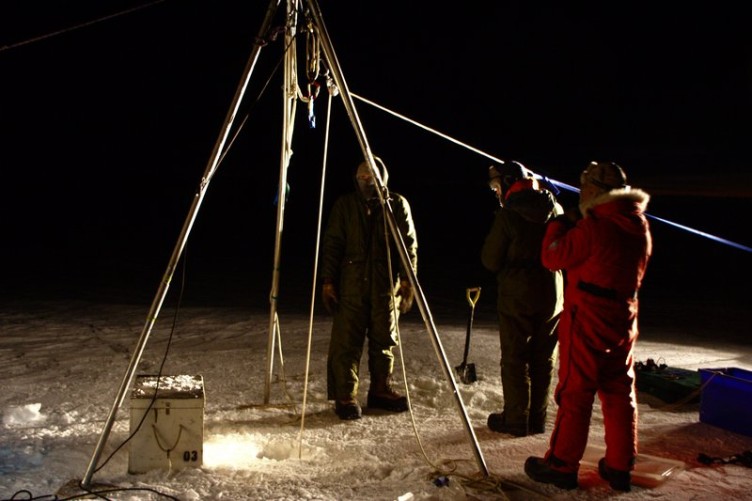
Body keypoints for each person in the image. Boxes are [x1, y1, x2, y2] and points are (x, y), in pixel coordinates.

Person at [524, 161, 652, 492]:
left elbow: (553, 257)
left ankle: (562, 464)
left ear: (595, 191)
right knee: (619, 391)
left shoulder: (594, 227)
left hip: (588, 317)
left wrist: (560, 225)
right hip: (623, 316)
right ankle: (621, 465)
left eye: (585, 188)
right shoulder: (639, 225)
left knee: (575, 392)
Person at [320, 157, 418, 420]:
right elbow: (332, 245)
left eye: (371, 177)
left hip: (385, 286)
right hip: (350, 286)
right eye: (362, 177)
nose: (366, 181)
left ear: (381, 178)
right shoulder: (345, 206)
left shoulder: (396, 205)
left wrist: (408, 281)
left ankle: (380, 389)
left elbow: (407, 246)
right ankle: (345, 395)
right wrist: (328, 281)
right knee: (346, 343)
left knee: (384, 340)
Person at [480, 160, 564, 437]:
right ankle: (537, 419)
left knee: (516, 357)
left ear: (506, 182)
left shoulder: (508, 215)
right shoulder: (555, 209)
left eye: (495, 186)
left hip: (517, 293)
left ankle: (516, 418)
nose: (494, 192)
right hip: (552, 292)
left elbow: (490, 259)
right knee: (543, 357)